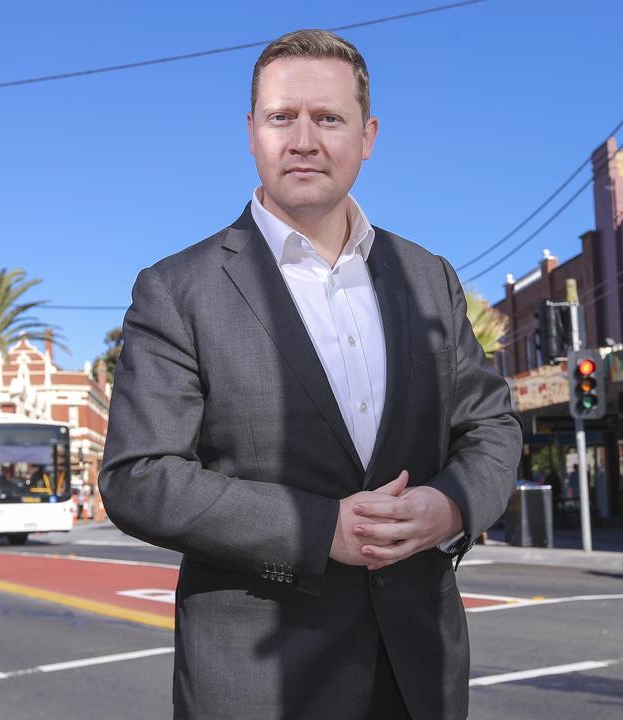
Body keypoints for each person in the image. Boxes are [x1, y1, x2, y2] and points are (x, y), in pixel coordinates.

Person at [98, 29, 521, 720]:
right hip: (258, 685)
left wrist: (450, 507)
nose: (303, 139)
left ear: (368, 134)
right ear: (251, 132)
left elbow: (491, 426)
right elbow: (138, 476)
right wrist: (317, 529)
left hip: (419, 675)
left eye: (328, 118)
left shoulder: (428, 277)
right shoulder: (178, 288)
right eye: (281, 117)